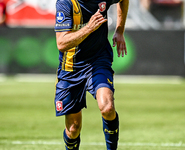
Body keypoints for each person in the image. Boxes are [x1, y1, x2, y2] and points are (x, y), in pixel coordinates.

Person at [54, 0, 129, 149]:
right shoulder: (66, 3)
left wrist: (120, 30)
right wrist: (88, 28)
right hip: (71, 67)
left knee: (107, 107)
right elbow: (61, 43)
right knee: (73, 130)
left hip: (98, 60)